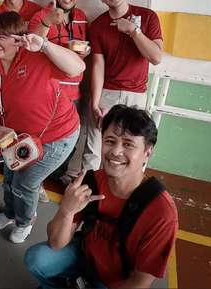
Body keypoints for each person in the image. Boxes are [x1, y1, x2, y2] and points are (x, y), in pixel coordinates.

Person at [24, 105, 178, 289]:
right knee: (36, 259)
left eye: (128, 144)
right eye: (110, 141)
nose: (115, 151)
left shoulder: (161, 212)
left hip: (117, 281)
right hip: (85, 258)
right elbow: (57, 244)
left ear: (147, 152)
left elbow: (139, 283)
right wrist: (66, 211)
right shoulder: (90, 181)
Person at [0, 12, 85, 243]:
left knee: (25, 182)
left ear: (19, 38)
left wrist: (45, 45)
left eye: (4, 36)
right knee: (9, 177)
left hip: (57, 136)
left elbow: (77, 67)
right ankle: (10, 213)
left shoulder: (37, 59)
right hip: (17, 138)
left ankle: (25, 221)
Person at [85, 0, 163, 171]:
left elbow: (156, 57)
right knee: (96, 147)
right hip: (107, 94)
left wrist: (133, 31)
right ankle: (87, 192)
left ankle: (126, 192)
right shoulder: (97, 26)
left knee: (132, 147)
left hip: (136, 95)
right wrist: (94, 102)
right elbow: (98, 66)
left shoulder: (147, 17)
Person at [29, 0, 90, 184]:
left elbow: (82, 46)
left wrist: (84, 51)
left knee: (68, 140)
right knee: (44, 140)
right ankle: (36, 181)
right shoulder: (41, 16)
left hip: (74, 91)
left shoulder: (81, 16)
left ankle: (51, 179)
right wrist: (48, 21)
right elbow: (33, 46)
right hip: (49, 92)